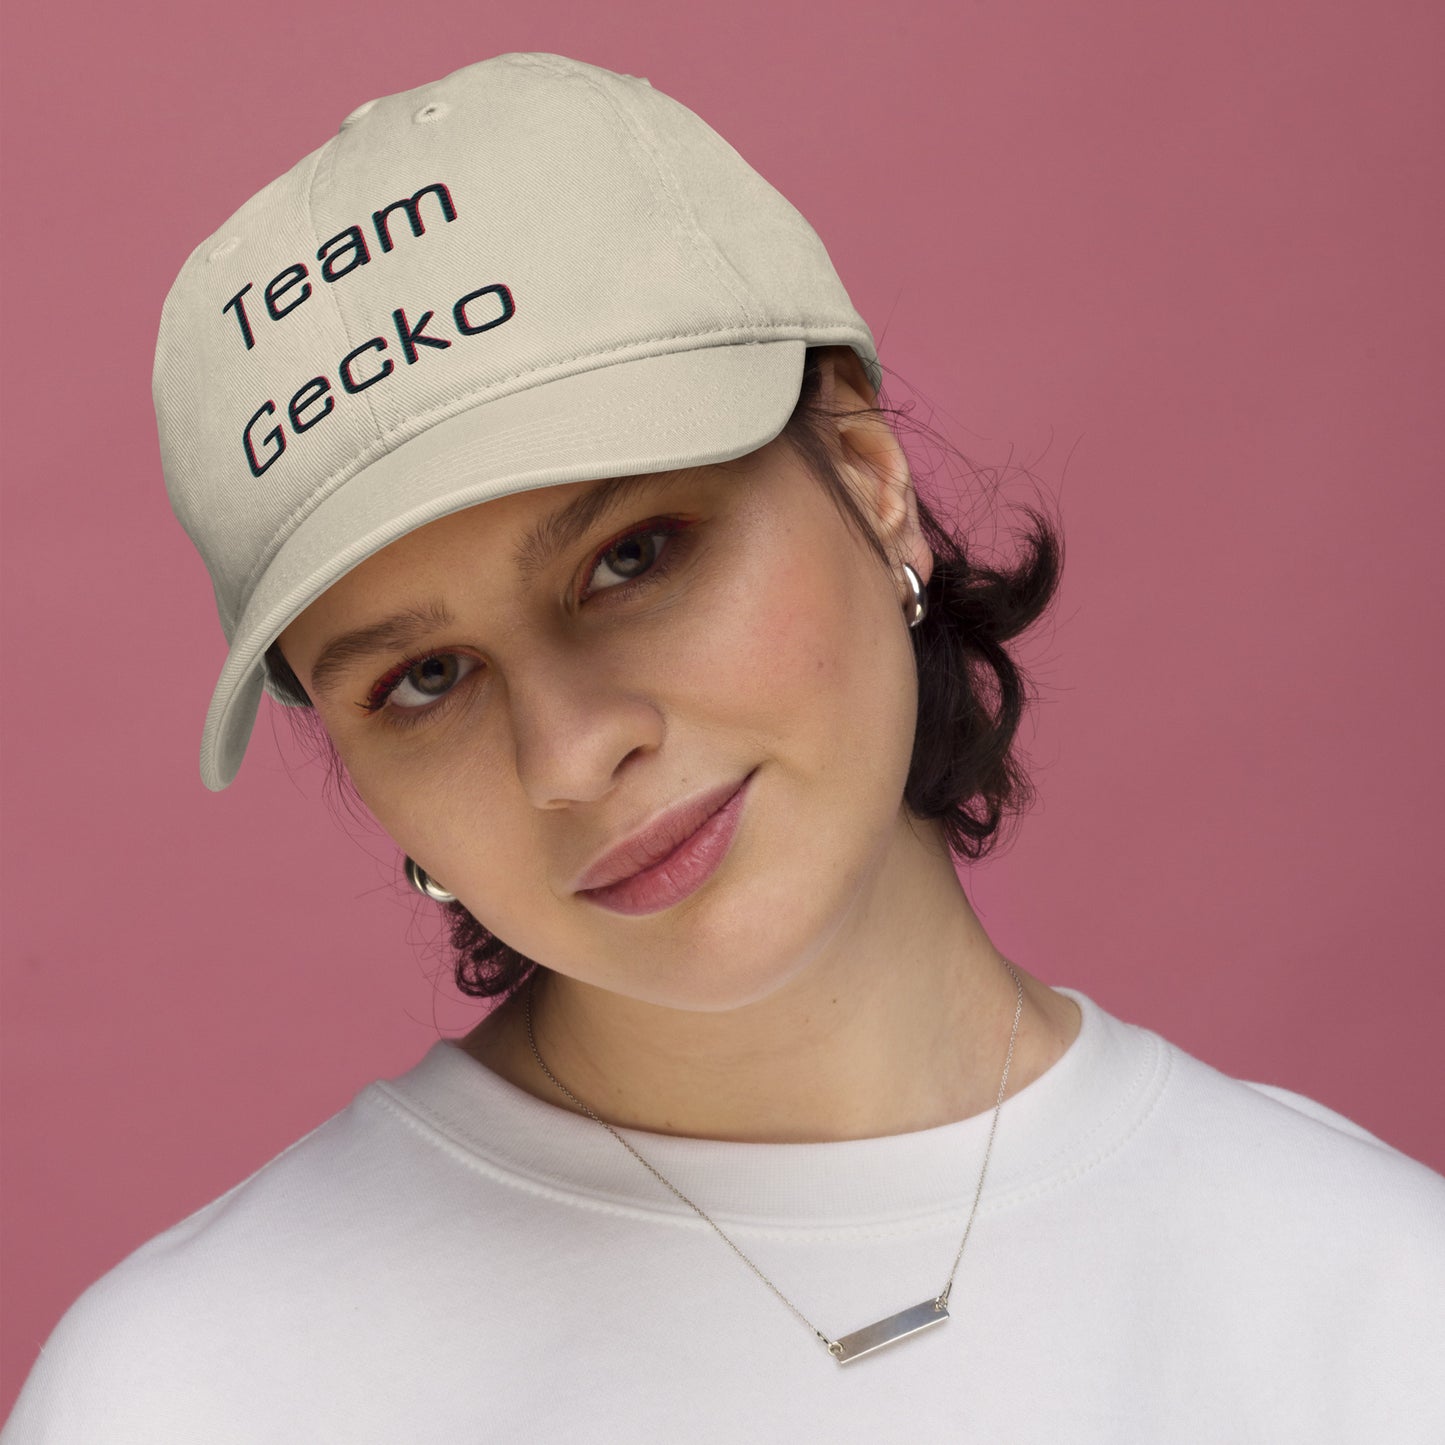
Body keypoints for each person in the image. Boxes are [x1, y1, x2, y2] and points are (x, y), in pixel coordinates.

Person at [4, 50, 1442, 1444]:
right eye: (424, 676)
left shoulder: (1372, 1302)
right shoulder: (190, 1395)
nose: (571, 750)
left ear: (868, 476)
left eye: (634, 554)